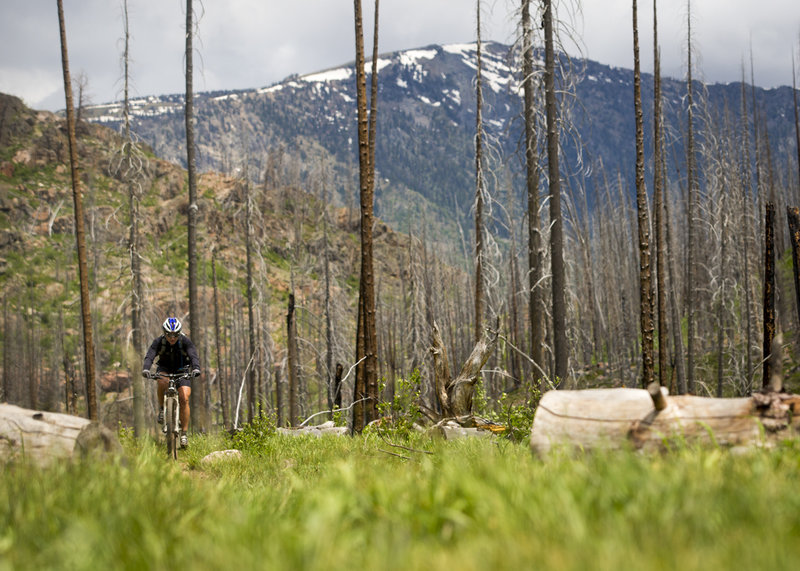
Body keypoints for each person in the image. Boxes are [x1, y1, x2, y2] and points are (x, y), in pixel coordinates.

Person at [142, 317, 201, 447]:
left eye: (175, 335)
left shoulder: (185, 341)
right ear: (164, 333)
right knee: (162, 381)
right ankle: (163, 409)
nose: (172, 338)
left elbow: (193, 355)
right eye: (169, 335)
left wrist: (196, 368)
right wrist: (146, 368)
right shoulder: (159, 342)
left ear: (179, 333)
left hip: (182, 369)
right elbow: (150, 355)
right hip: (165, 369)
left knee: (184, 398)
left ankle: (184, 434)